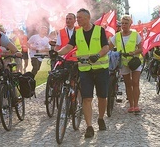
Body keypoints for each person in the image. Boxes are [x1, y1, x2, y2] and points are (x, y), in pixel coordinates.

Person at [55, 8, 109, 138]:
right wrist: (57, 53)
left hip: (101, 69)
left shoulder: (99, 30)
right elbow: (69, 46)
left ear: (88, 18)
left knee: (102, 97)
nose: (77, 20)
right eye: (77, 17)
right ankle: (89, 126)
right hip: (85, 70)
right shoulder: (77, 33)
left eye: (80, 18)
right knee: (87, 98)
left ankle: (101, 118)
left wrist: (98, 55)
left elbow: (106, 47)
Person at [109, 15, 142, 113]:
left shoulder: (136, 35)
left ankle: (136, 105)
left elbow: (141, 49)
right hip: (123, 62)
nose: (124, 25)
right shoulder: (117, 36)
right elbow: (109, 47)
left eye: (126, 23)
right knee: (128, 84)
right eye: (122, 23)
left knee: (135, 83)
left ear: (130, 24)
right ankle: (131, 105)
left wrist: (134, 53)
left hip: (134, 61)